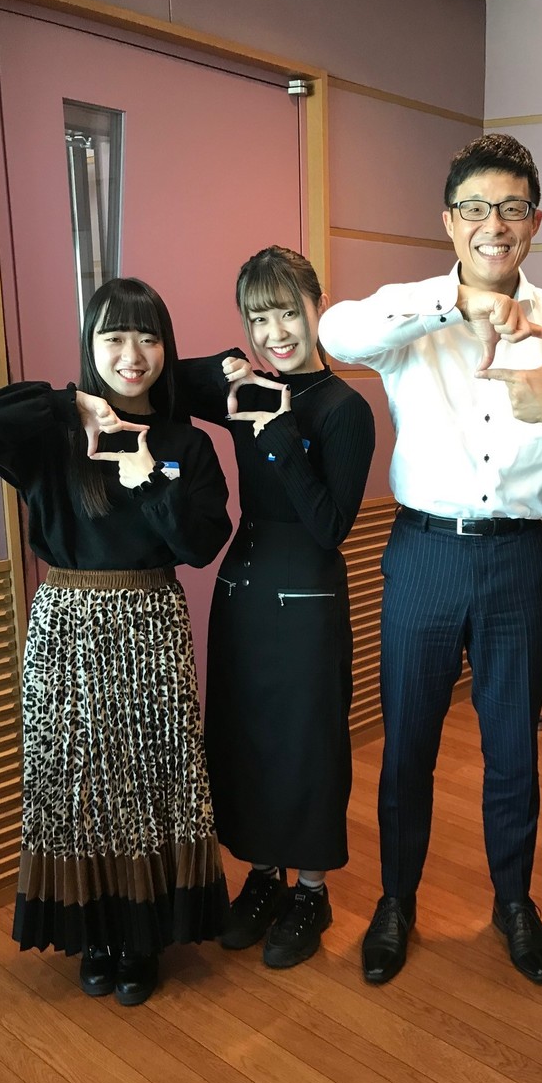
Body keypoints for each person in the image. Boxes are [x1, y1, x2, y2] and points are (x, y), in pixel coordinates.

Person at [318, 133, 542, 986]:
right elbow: (336, 333)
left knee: (513, 747)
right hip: (423, 555)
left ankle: (513, 902)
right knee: (407, 743)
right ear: (449, 221)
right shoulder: (409, 314)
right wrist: (454, 306)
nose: (495, 224)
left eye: (512, 208)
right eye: (476, 208)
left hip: (517, 560)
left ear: (535, 221)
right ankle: (396, 901)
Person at [0, 277, 232, 1005]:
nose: (132, 354)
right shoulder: (53, 437)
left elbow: (202, 544)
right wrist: (72, 405)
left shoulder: (185, 443)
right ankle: (97, 933)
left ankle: (143, 936)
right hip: (67, 622)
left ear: (166, 349)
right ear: (91, 345)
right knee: (76, 779)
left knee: (151, 778)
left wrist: (150, 481)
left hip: (151, 621)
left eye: (148, 337)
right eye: (113, 337)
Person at [177, 246, 375, 969]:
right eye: (258, 319)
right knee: (246, 735)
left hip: (310, 594)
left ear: (317, 307)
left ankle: (311, 891)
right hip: (243, 591)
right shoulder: (249, 387)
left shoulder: (346, 409)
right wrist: (230, 368)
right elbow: (168, 381)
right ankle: (262, 876)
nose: (275, 333)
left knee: (306, 741)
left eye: (287, 312)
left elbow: (330, 527)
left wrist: (280, 428)